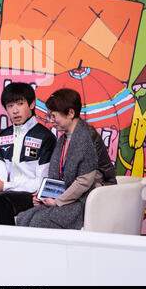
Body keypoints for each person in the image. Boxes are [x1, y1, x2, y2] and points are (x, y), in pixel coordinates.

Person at [17, 88, 116, 230]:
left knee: (39, 221)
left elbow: (84, 182)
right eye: (49, 116)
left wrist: (57, 201)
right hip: (69, 195)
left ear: (70, 113)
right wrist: (43, 195)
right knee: (24, 218)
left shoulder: (85, 137)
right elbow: (59, 175)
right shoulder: (65, 137)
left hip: (89, 197)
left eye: (54, 116)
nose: (51, 121)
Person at [0, 82, 56, 225]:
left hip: (31, 195)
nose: (15, 110)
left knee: (1, 200)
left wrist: (7, 186)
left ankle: (7, 247)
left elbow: (40, 183)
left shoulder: (45, 137)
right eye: (10, 106)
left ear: (32, 104)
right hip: (7, 191)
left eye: (20, 104)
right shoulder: (4, 136)